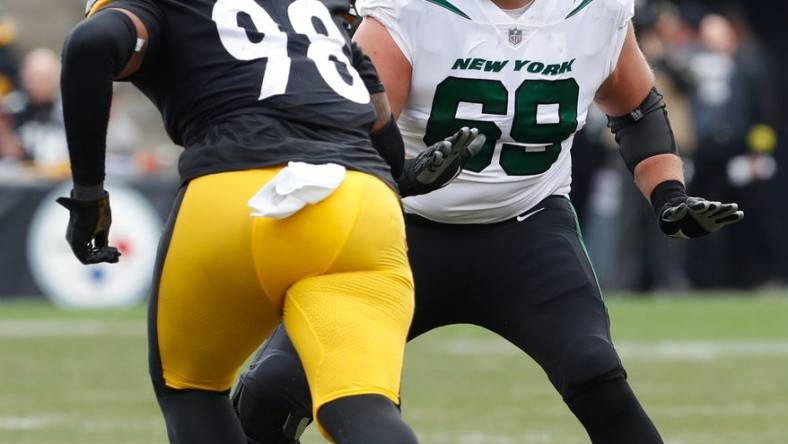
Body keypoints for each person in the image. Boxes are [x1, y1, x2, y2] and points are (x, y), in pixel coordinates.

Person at [232, 0, 744, 442]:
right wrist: (406, 176)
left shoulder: (596, 11)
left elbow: (636, 111)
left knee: (596, 374)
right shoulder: (409, 12)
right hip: (397, 234)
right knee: (271, 393)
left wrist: (669, 197)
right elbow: (349, 135)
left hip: (527, 227)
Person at [57, 0, 482, 442]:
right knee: (359, 403)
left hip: (237, 190)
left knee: (191, 389)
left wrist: (89, 193)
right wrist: (410, 177)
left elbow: (91, 43)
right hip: (361, 201)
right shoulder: (315, 17)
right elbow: (382, 133)